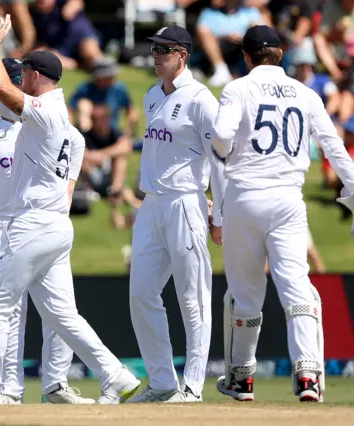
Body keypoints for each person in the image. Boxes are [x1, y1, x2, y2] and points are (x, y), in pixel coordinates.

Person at [0, 14, 142, 404]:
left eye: (25, 73)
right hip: (57, 226)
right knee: (63, 316)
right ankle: (115, 375)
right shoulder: (71, 129)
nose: (21, 80)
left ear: (33, 75)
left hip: (30, 224)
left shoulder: (44, 112)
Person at [211, 25, 354, 402]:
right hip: (289, 200)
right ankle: (308, 376)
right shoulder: (306, 94)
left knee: (244, 295)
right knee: (297, 288)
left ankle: (242, 379)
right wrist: (353, 187)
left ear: (245, 57)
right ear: (281, 53)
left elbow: (222, 139)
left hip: (245, 197)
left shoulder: (236, 89)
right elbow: (333, 146)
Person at [0, 42, 93, 405]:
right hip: (4, 225)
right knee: (5, 310)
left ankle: (55, 384)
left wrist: (63, 203)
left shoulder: (45, 120)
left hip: (43, 223)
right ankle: (2, 388)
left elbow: (74, 150)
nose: (17, 86)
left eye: (21, 79)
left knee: (61, 309)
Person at [128, 25, 226, 403]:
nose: (156, 57)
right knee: (141, 294)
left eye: (163, 50)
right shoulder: (152, 96)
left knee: (193, 297)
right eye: (154, 50)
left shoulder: (201, 99)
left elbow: (219, 160)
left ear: (182, 55)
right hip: (152, 204)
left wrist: (220, 213)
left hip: (188, 201)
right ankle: (163, 382)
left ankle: (193, 387)